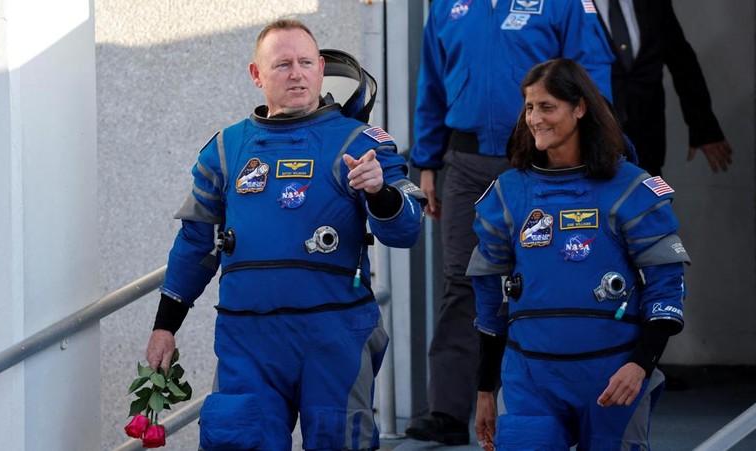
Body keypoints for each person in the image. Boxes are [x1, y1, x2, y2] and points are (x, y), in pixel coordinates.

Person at [143, 19, 426, 451]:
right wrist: (166, 326)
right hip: (247, 340)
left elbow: (407, 228)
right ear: (256, 75)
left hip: (334, 336)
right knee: (239, 442)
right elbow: (195, 244)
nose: (297, 73)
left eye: (306, 62)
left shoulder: (359, 142)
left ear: (321, 67)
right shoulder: (227, 149)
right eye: (282, 64)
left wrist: (379, 192)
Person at [406, 0, 615, 444]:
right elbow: (431, 84)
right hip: (465, 161)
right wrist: (426, 160)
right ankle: (447, 410)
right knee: (465, 278)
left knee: (556, 274)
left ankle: (566, 401)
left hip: (544, 162)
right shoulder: (446, 6)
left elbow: (591, 74)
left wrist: (596, 154)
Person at [468, 57, 690, 450]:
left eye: (547, 106)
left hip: (612, 378)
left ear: (580, 107)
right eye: (530, 107)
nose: (535, 118)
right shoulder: (508, 193)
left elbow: (666, 293)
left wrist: (639, 366)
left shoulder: (630, 189)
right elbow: (489, 304)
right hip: (530, 380)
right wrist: (486, 390)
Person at [594, 0, 732, 175]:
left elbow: (681, 60)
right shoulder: (565, 6)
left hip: (646, 143)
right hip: (591, 143)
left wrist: (704, 127)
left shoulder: (654, 3)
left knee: (649, 199)